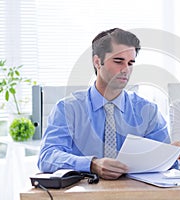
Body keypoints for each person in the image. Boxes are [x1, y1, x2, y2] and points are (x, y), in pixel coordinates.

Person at [38, 28, 171, 179]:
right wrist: (91, 164)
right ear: (97, 62)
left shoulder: (148, 111)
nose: (126, 69)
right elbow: (47, 156)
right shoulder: (67, 109)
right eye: (118, 61)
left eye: (130, 63)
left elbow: (168, 161)